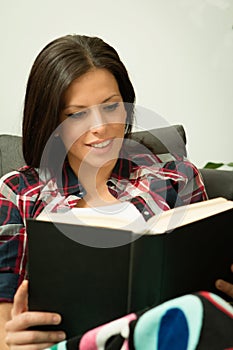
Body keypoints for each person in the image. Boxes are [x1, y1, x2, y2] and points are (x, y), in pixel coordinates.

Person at [0, 34, 231, 350]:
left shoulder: (176, 178)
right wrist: (12, 342)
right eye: (77, 114)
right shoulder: (18, 193)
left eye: (111, 107)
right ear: (50, 120)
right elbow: (3, 328)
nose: (100, 127)